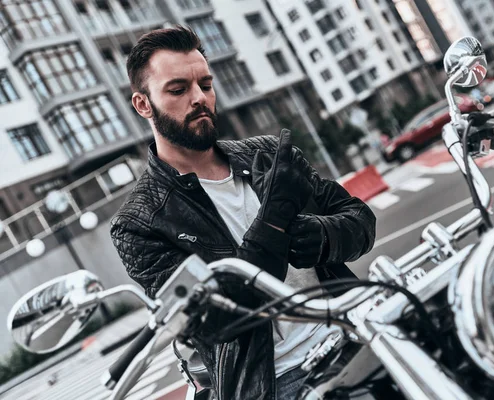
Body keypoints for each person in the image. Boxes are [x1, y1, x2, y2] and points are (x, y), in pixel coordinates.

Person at [110, 25, 376, 400]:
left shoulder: (266, 154)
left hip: (354, 329)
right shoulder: (139, 223)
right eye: (178, 89)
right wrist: (274, 218)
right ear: (143, 104)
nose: (199, 98)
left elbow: (360, 219)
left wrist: (324, 236)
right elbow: (221, 319)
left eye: (205, 84)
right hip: (276, 381)